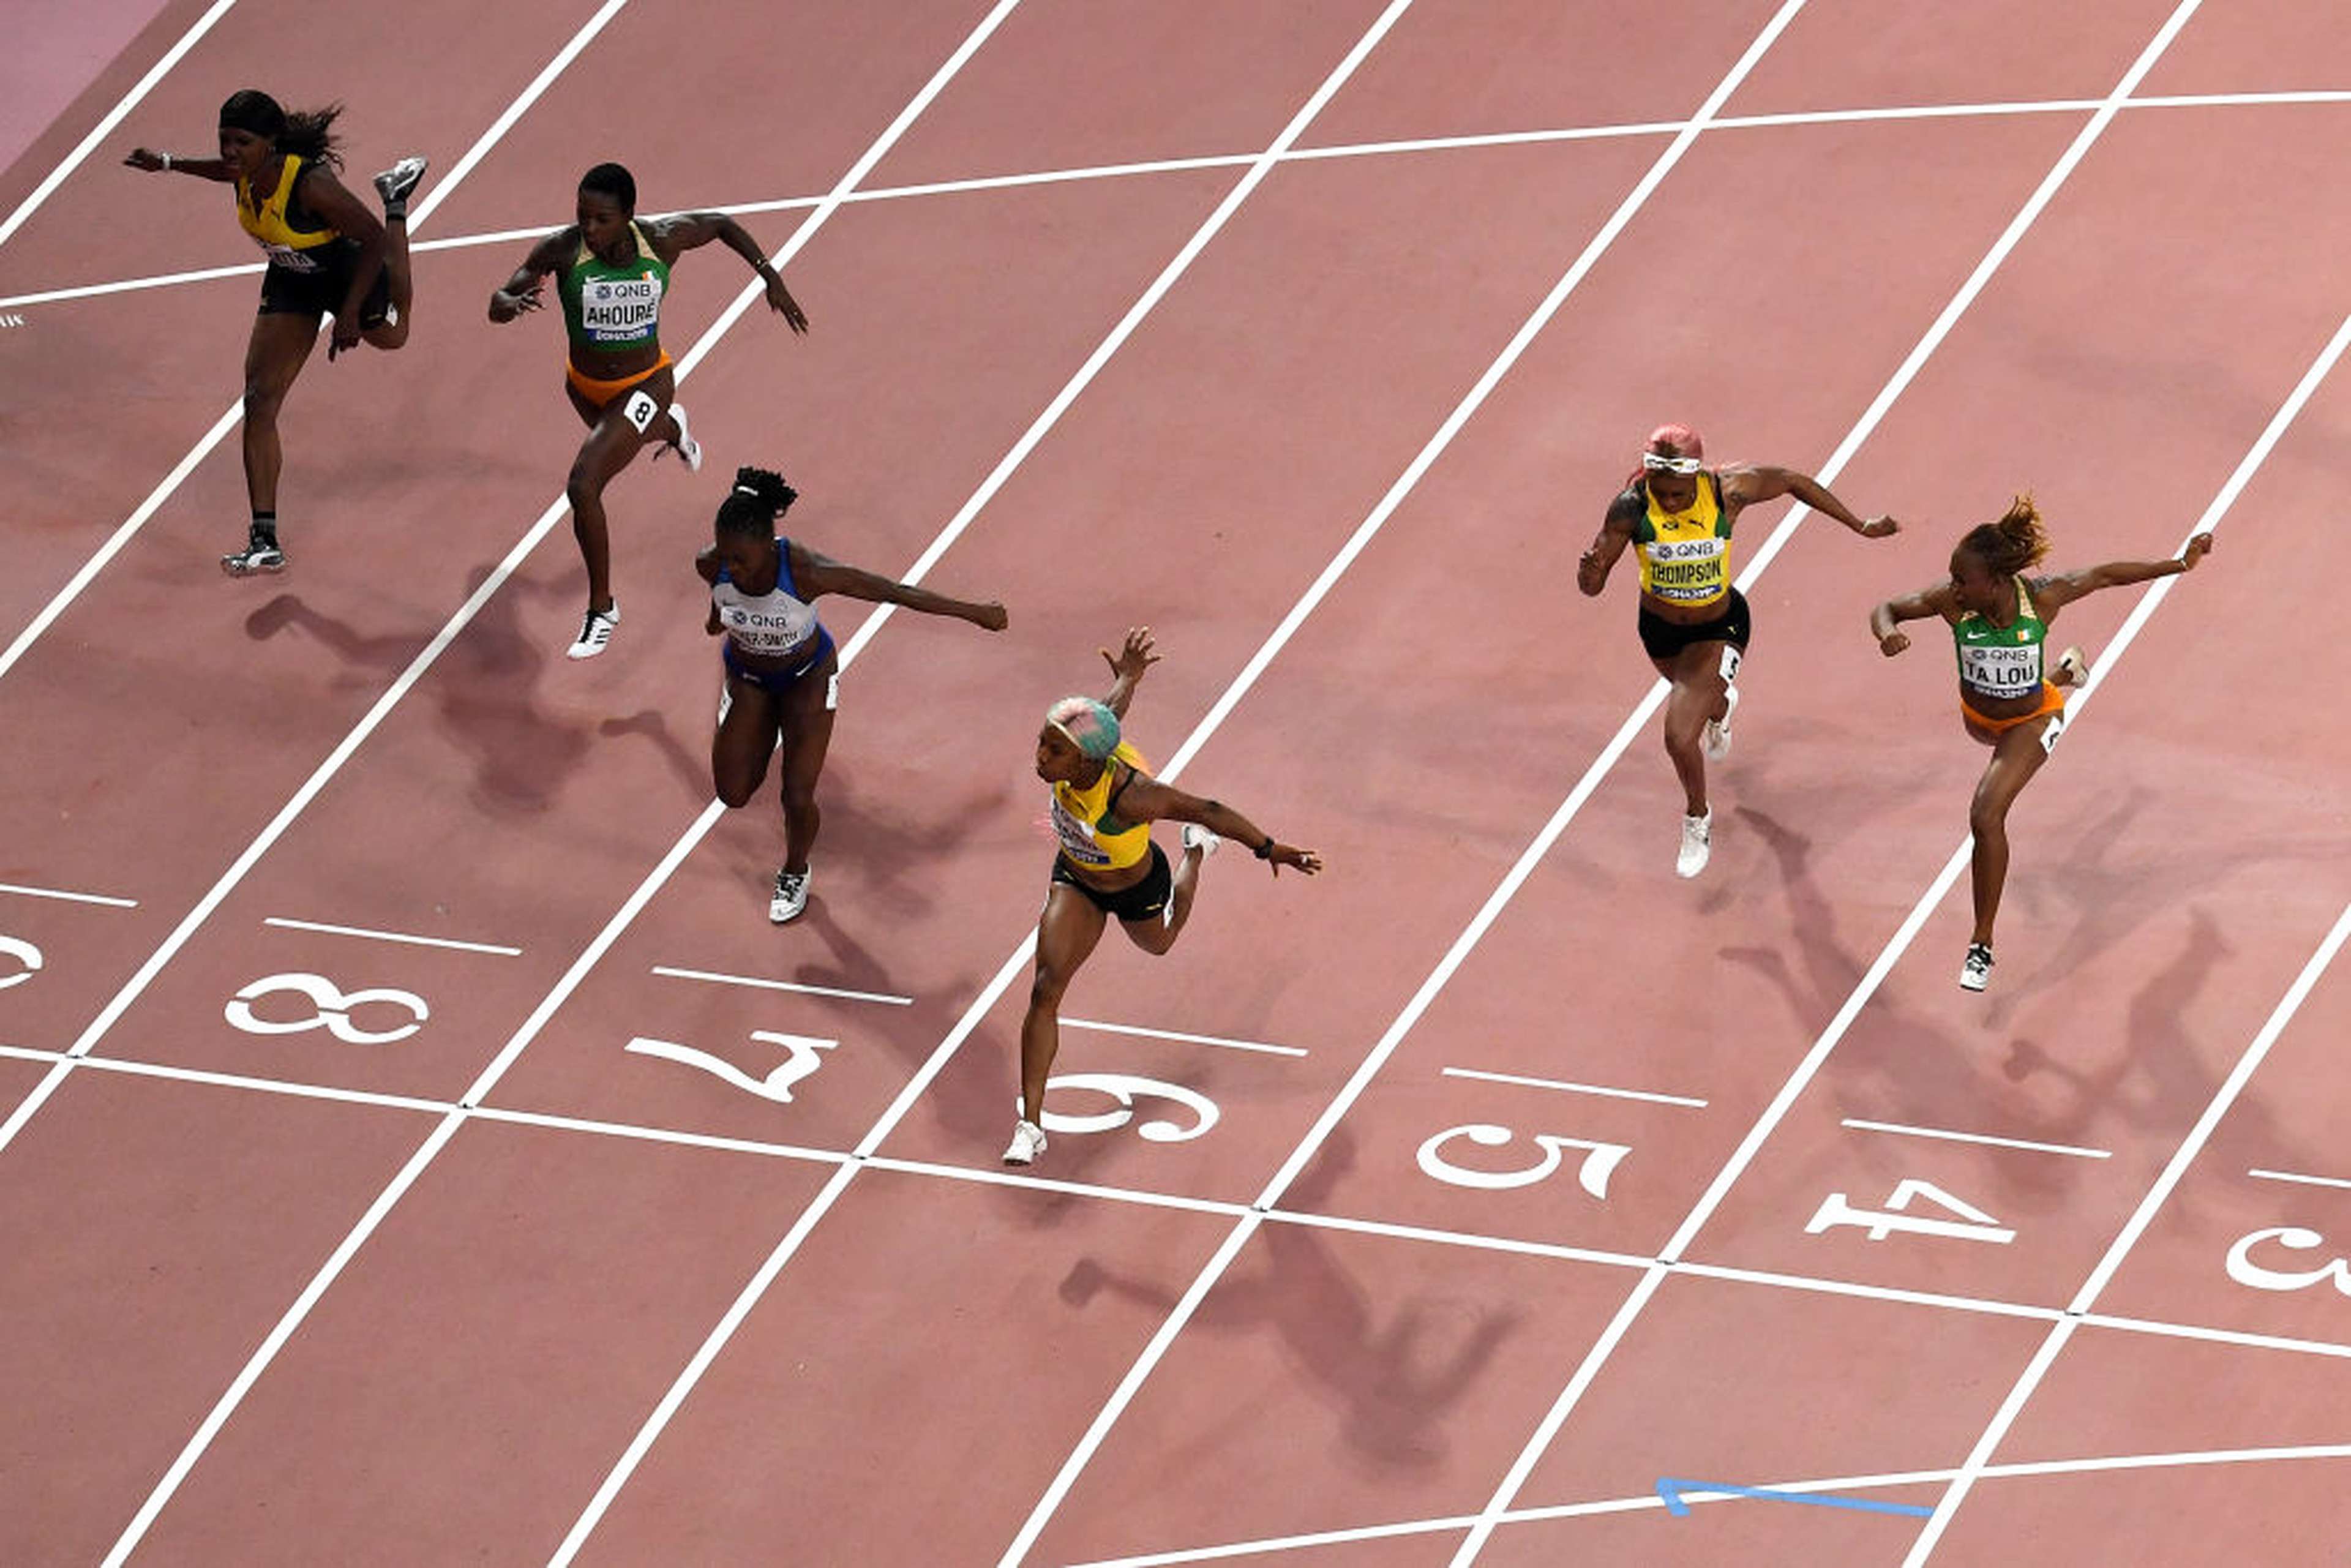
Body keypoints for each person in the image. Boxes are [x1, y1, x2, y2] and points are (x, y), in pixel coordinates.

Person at [1869, 497, 2214, 991]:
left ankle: (1981, 946)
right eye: (1952, 577)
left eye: (1962, 579)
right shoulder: (1953, 603)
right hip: (1979, 717)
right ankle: (2066, 670)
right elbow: (1888, 607)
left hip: (2031, 719)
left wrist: (2179, 563)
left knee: (1986, 815)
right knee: (2008, 731)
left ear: (1994, 582)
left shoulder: (2043, 598)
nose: (1953, 586)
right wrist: (1886, 634)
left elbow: (2106, 575)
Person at [1007, 629, 1322, 1166]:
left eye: (1052, 750)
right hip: (1077, 878)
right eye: (1041, 741)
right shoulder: (1082, 740)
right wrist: (1130, 675)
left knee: (1161, 943)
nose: (1040, 756)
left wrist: (1269, 848)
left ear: (1084, 761)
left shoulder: (1134, 796)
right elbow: (1110, 709)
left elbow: (1210, 808)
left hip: (1137, 885)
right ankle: (1030, 1125)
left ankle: (1194, 857)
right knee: (1044, 988)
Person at [490, 163, 810, 659]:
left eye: (602, 219)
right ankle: (672, 427)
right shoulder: (563, 248)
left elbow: (722, 223)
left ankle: (602, 609)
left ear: (629, 216)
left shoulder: (660, 242)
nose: (590, 229)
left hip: (647, 382)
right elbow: (501, 295)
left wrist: (771, 277)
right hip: (585, 388)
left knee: (583, 484)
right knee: (623, 444)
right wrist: (508, 302)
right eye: (583, 216)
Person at [125, 91, 427, 575]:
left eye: (241, 142)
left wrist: (348, 315)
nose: (229, 151)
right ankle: (264, 538)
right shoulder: (240, 172)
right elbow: (220, 171)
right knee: (259, 399)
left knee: (395, 335)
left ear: (270, 143)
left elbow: (369, 238)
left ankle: (396, 200)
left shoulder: (310, 185)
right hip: (291, 277)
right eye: (224, 139)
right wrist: (165, 163)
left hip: (345, 272)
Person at [1578, 423, 1899, 877]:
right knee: (1705, 701)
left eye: (1676, 493)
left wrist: (1859, 524)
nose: (1668, 501)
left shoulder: (1728, 490)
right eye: (1661, 492)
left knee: (1677, 735)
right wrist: (1589, 571)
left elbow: (1791, 480)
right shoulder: (1631, 508)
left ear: (1696, 476)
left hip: (1718, 625)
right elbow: (1591, 587)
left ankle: (1696, 818)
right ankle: (1722, 703)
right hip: (1659, 632)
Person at [699, 467, 1006, 923]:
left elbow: (891, 591)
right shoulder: (713, 564)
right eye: (727, 556)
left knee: (796, 796)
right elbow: (719, 601)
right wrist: (716, 619)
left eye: (742, 559)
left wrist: (975, 613)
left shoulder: (804, 570)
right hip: (749, 677)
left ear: (768, 545)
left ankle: (795, 870)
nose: (733, 567)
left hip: (807, 677)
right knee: (733, 793)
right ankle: (752, 724)